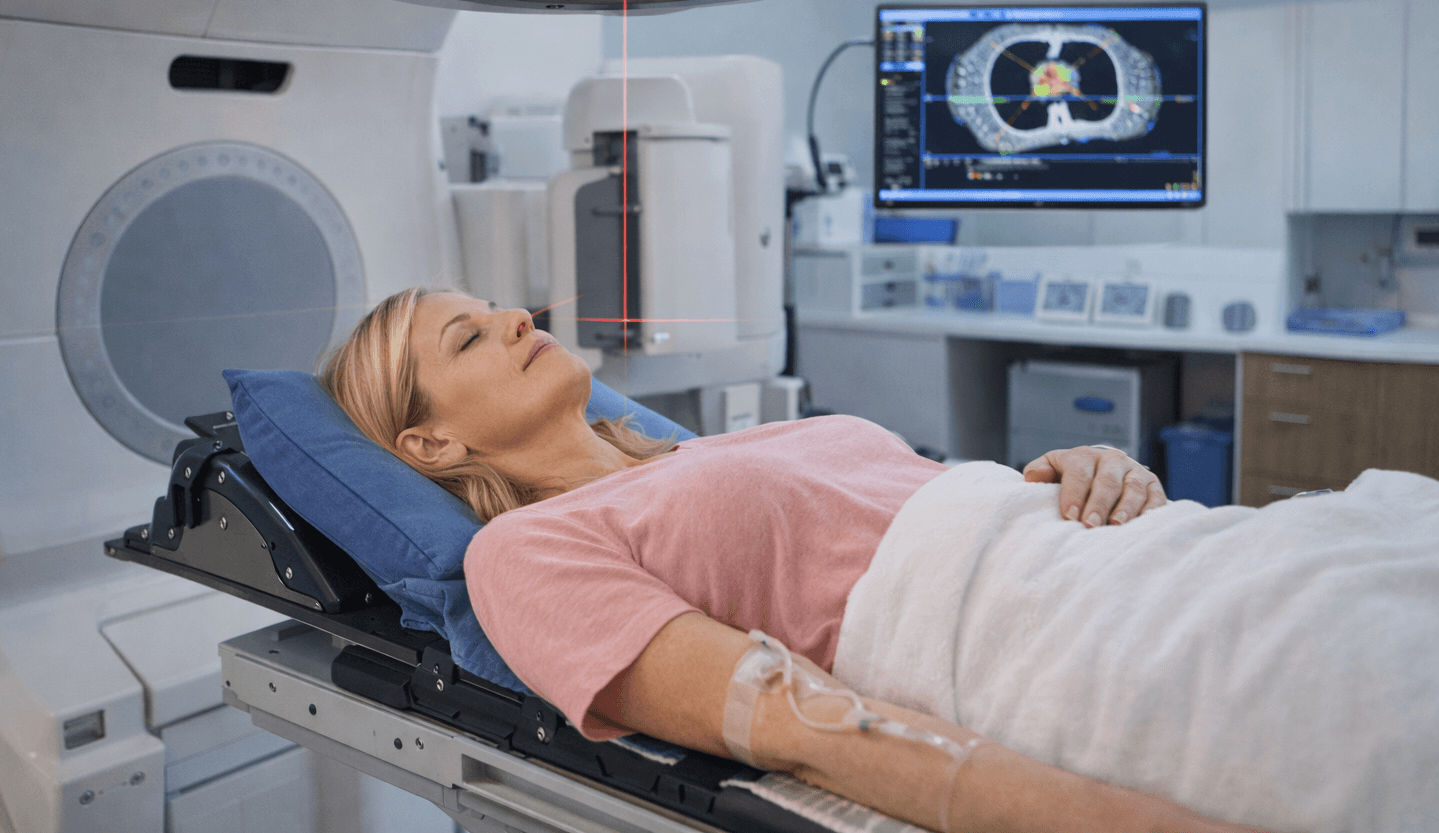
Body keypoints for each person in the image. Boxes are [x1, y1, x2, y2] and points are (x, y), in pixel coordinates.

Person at [320, 287, 1273, 833]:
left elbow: (922, 498)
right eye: (471, 336)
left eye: (498, 308)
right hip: (1069, 645)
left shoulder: (707, 452)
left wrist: (1092, 473)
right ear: (431, 446)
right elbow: (809, 731)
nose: (518, 317)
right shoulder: (521, 552)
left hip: (1164, 557)